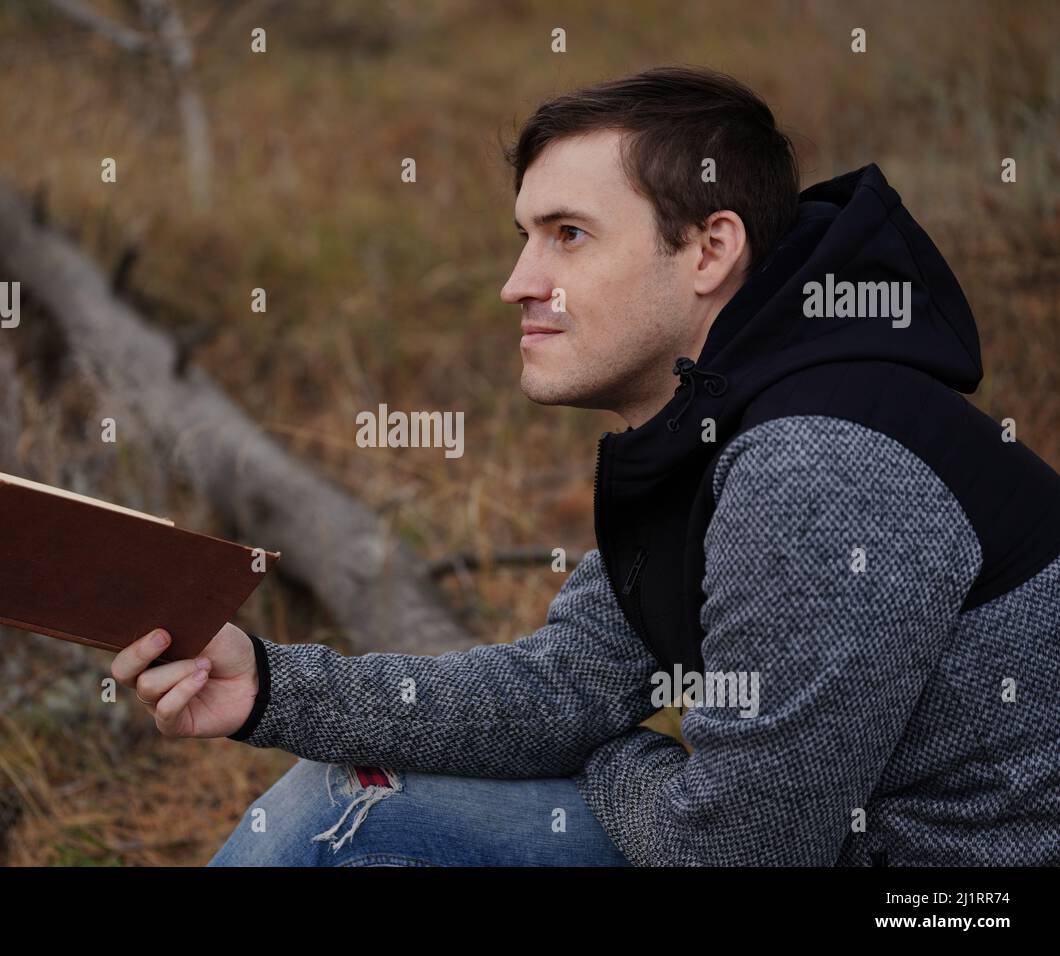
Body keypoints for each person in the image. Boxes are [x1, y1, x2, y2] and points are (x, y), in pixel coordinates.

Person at [111, 66, 1060, 866]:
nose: (517, 284)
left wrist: (607, 756)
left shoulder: (818, 462)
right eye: (524, 237)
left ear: (710, 249)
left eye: (568, 234)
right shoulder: (718, 426)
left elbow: (734, 852)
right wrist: (269, 686)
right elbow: (564, 687)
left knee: (350, 827)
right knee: (346, 796)